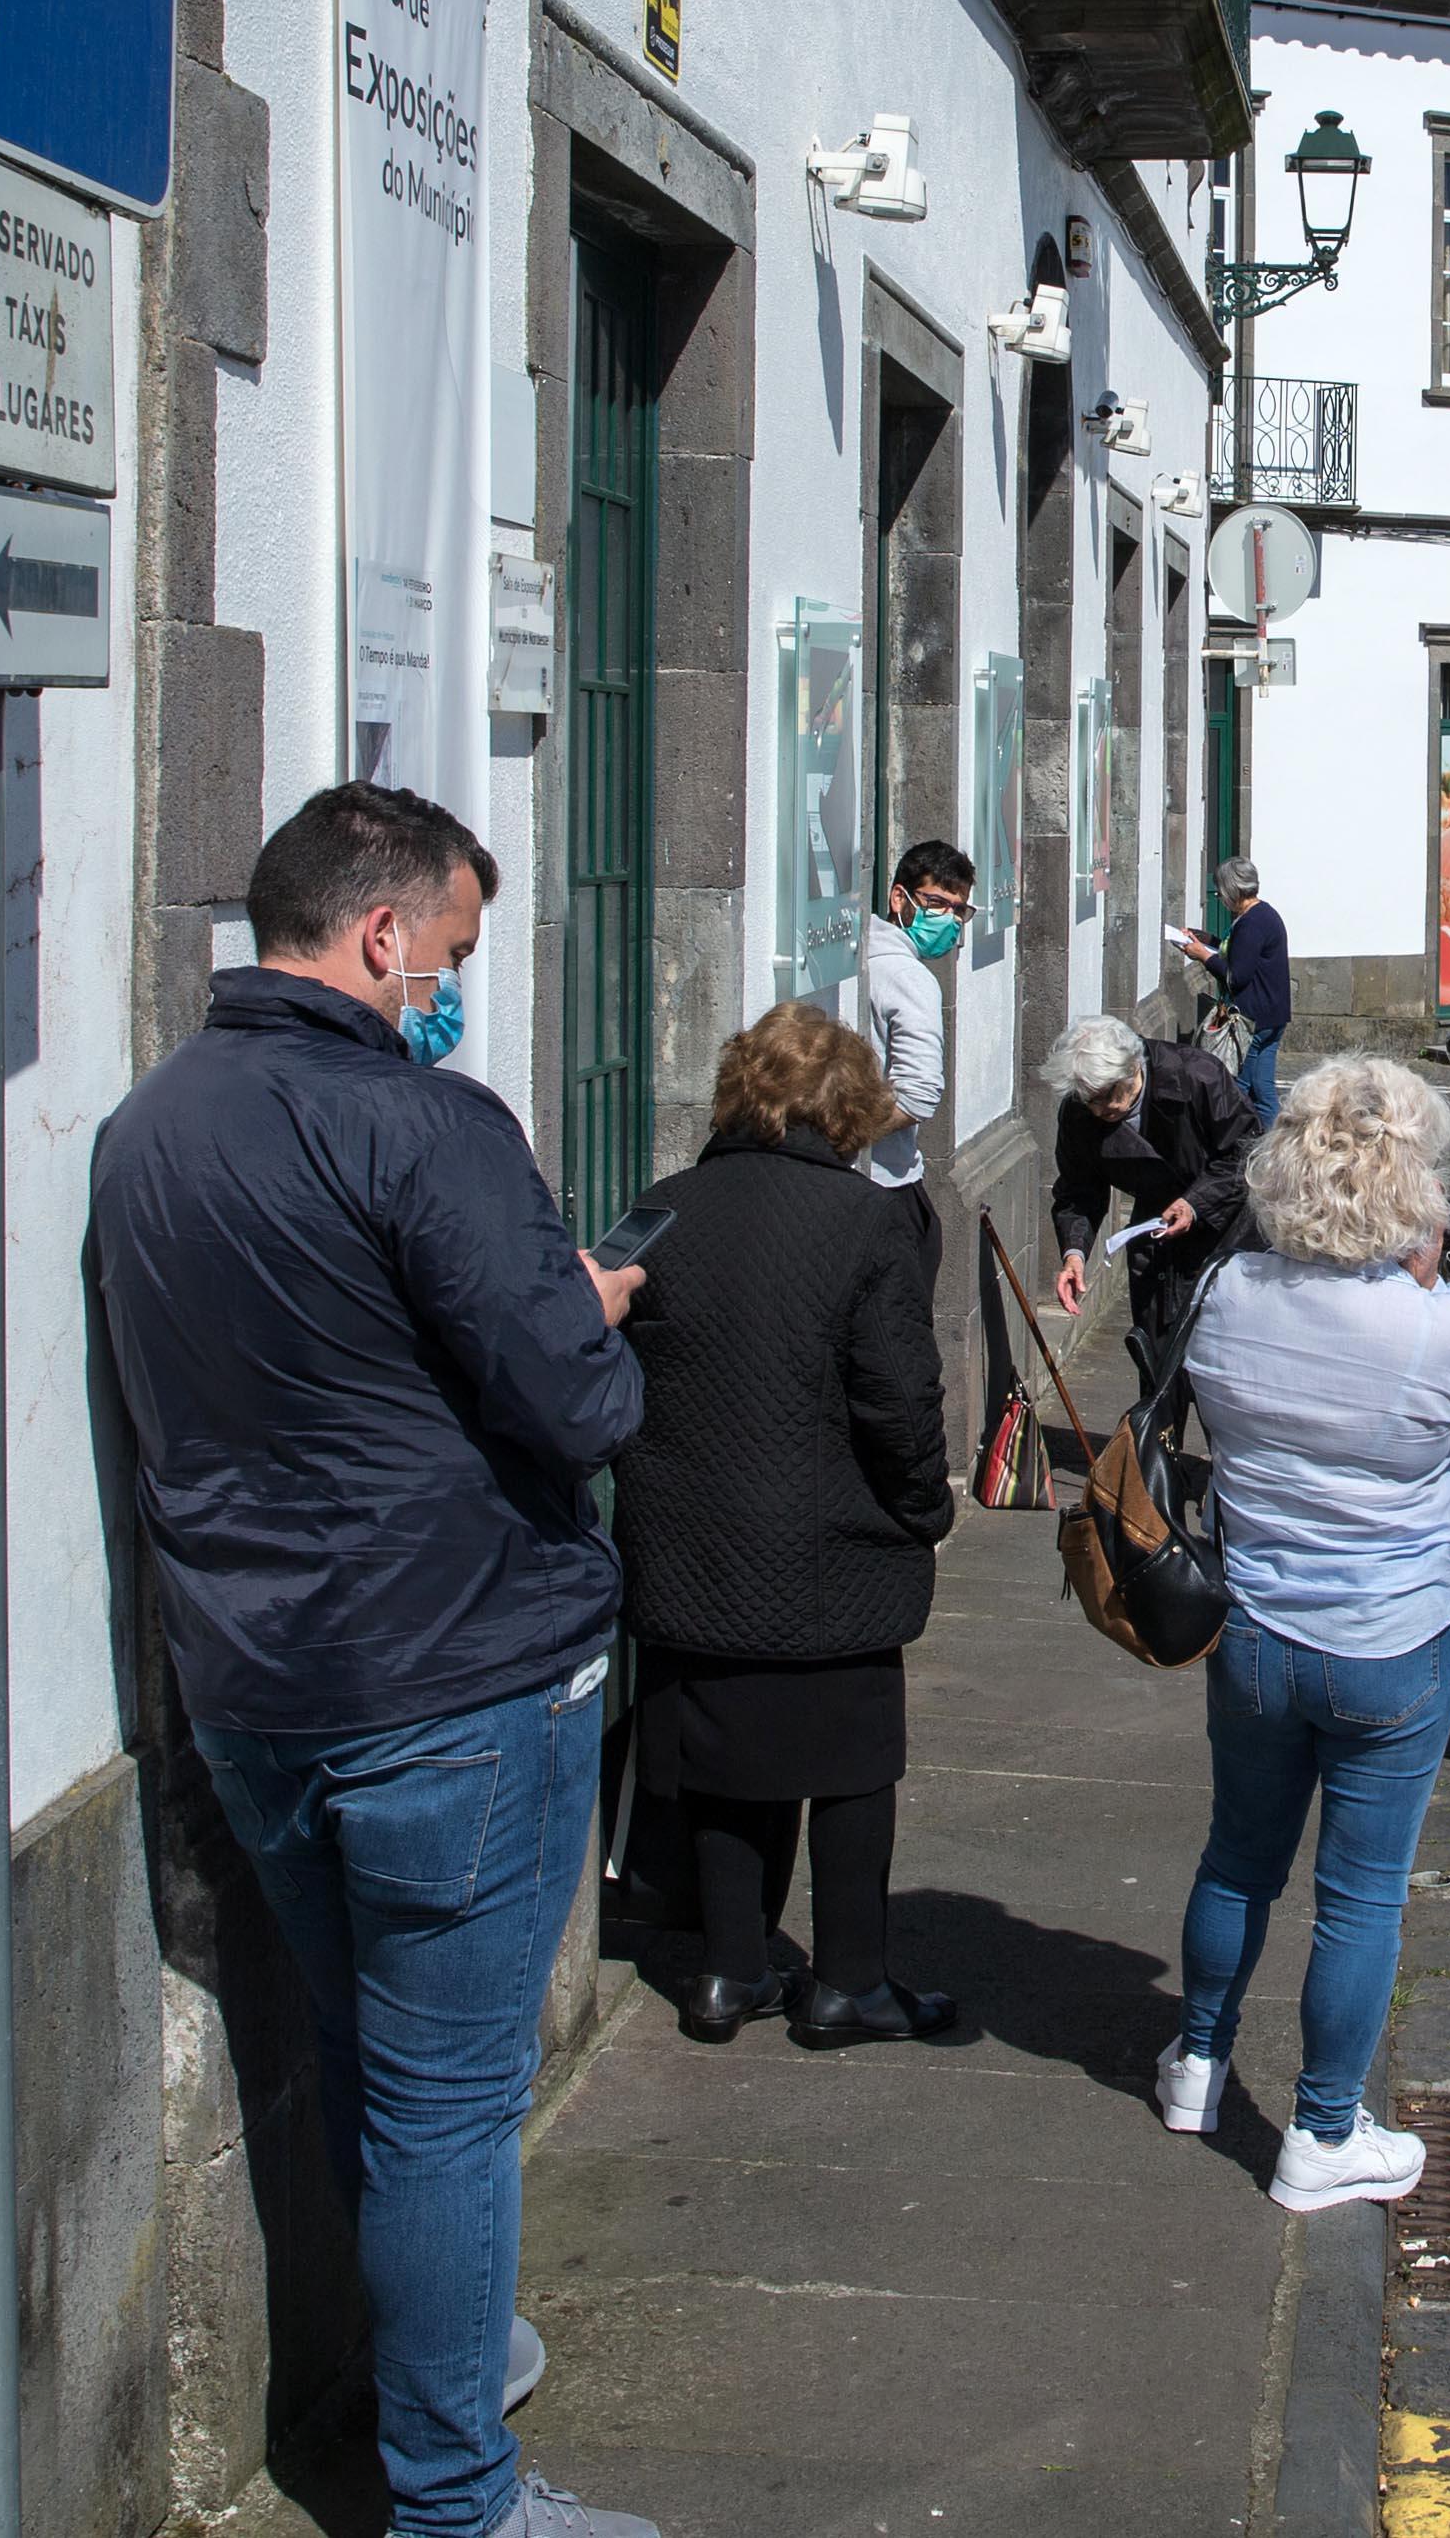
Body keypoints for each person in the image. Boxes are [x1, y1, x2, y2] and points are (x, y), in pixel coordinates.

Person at [90, 783, 658, 2538]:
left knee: (369, 2054)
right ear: (382, 933)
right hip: (451, 1677)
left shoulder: (149, 1125)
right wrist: (594, 1305)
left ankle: (443, 2354)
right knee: (444, 2103)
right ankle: (459, 2494)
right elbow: (579, 1398)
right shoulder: (426, 1126)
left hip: (256, 1677)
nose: (450, 995)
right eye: (453, 958)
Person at [1152, 1059, 1450, 2209]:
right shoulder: (1443, 1329)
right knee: (1361, 1896)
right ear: (1410, 1186)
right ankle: (1321, 2132)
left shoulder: (1226, 1297)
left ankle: (1198, 2065)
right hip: (1393, 1637)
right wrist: (1423, 1292)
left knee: (1238, 1858)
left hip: (1257, 1624)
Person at [609, 1003, 961, 2050]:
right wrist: (922, 1505)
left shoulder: (661, 1211)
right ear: (847, 1107)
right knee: (850, 1761)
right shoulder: (863, 1223)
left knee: (723, 1755)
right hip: (828, 1548)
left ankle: (728, 1969)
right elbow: (899, 1396)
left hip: (692, 1546)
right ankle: (849, 1980)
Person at [1044, 1014, 1258, 1344]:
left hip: (1225, 1225)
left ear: (1132, 1067)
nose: (1100, 1109)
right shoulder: (1079, 1112)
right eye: (1090, 1099)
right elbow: (1078, 1190)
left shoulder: (1197, 1075)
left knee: (1223, 1344)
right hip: (1157, 1233)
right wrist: (1075, 1253)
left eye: (1106, 1094)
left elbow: (1245, 1152)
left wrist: (1195, 1203)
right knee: (1158, 1349)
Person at [859, 839, 975, 1264]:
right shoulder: (912, 977)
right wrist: (847, 1141)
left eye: (958, 909)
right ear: (899, 898)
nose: (949, 918)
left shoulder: (854, 955)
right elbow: (918, 1094)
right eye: (936, 902)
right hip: (887, 1185)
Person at [1173, 859, 1292, 1127]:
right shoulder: (1263, 915)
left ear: (1232, 890)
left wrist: (1203, 956)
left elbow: (1236, 977)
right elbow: (1239, 953)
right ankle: (1272, 1146)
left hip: (1252, 1021)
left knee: (1238, 1086)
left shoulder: (1251, 924)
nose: (1219, 897)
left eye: (1220, 891)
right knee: (1263, 1091)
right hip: (1272, 1016)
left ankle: (1240, 1145)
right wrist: (1205, 940)